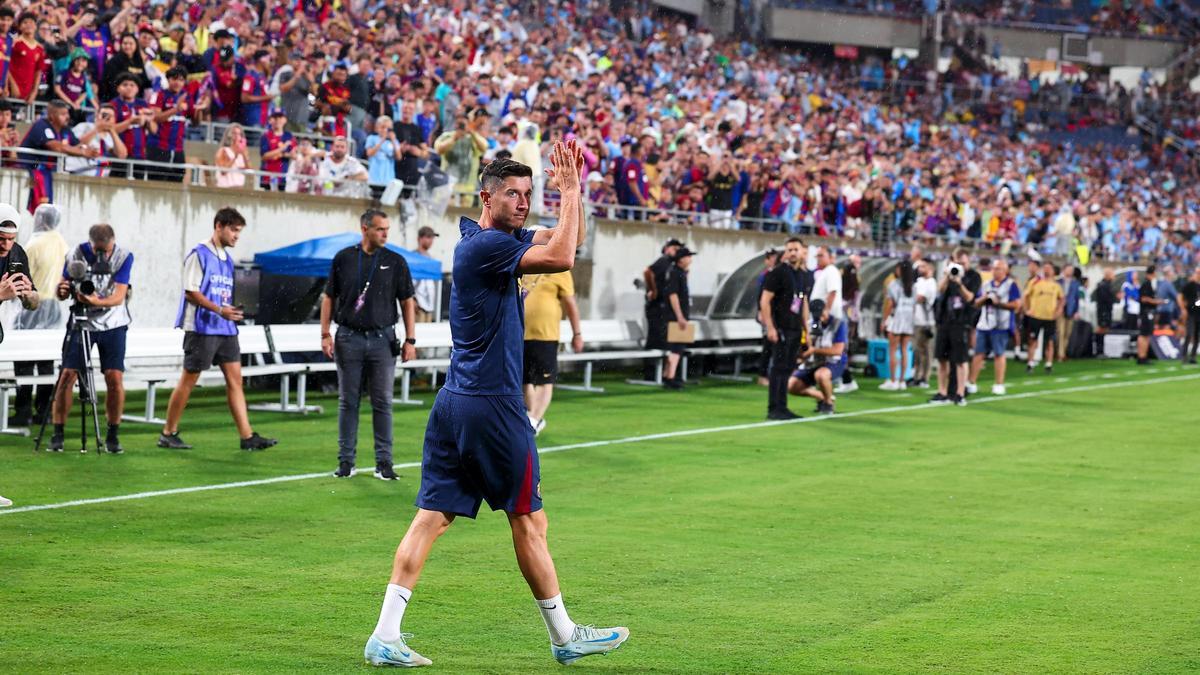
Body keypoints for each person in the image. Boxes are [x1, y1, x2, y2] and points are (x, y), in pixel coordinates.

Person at [362, 145, 628, 668]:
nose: (525, 203)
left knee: (431, 519)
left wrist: (573, 200)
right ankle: (564, 634)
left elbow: (557, 237)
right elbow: (562, 257)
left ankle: (384, 636)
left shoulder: (486, 239)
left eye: (531, 194)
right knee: (529, 522)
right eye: (514, 194)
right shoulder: (486, 246)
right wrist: (572, 192)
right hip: (493, 405)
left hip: (455, 400)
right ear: (487, 196)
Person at [158, 207, 277, 451]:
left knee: (236, 380)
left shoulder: (227, 259)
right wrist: (219, 310)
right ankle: (168, 432)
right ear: (219, 226)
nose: (236, 236)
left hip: (225, 327)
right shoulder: (198, 254)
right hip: (202, 328)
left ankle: (247, 437)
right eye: (233, 230)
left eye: (238, 232)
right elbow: (191, 292)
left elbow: (218, 294)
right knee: (189, 379)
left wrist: (229, 311)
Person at [320, 209, 417, 480]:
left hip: (382, 339)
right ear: (364, 229)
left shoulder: (396, 261)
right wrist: (325, 333)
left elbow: (407, 301)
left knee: (383, 402)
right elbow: (328, 297)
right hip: (348, 337)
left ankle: (384, 463)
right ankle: (346, 462)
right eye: (380, 229)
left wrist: (410, 339)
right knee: (347, 402)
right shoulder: (344, 258)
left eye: (387, 229)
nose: (385, 233)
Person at [48, 224, 132, 453]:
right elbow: (61, 288)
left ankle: (113, 435)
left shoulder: (124, 256)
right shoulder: (76, 254)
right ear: (90, 243)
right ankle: (58, 433)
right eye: (98, 249)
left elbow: (119, 297)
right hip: (80, 320)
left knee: (114, 377)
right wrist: (63, 291)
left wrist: (95, 301)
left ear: (113, 242)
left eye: (106, 249)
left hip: (113, 323)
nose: (102, 254)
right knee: (67, 375)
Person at [10, 204, 66, 427]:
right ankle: (43, 412)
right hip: (53, 308)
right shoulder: (62, 243)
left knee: (23, 360)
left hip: (33, 305)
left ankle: (22, 411)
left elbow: (23, 278)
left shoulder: (33, 245)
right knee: (46, 362)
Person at [520, 261, 582, 435]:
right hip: (519, 333)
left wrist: (577, 333)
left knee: (544, 380)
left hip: (545, 334)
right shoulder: (525, 267)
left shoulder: (560, 270)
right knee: (524, 379)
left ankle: (533, 419)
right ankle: (532, 419)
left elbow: (570, 304)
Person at [760, 237, 806, 420]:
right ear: (785, 252)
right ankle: (774, 408)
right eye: (790, 249)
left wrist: (806, 330)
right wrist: (770, 327)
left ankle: (783, 406)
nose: (793, 252)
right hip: (781, 328)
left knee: (787, 368)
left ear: (802, 251)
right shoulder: (778, 273)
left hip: (795, 328)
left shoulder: (801, 275)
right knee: (778, 368)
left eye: (796, 249)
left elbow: (802, 302)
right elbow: (765, 301)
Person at [930, 251, 979, 406]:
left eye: (963, 263)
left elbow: (970, 297)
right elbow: (940, 290)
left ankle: (960, 393)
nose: (960, 266)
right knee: (942, 358)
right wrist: (947, 274)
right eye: (958, 263)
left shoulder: (973, 276)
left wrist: (959, 283)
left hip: (961, 322)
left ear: (968, 262)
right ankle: (942, 392)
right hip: (945, 321)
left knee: (960, 359)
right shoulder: (949, 274)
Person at [968, 259, 1021, 396]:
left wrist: (999, 304)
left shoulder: (1011, 285)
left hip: (1001, 325)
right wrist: (984, 299)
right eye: (994, 268)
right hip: (984, 323)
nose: (995, 271)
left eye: (999, 269)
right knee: (978, 354)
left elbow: (1016, 305)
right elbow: (976, 303)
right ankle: (972, 382)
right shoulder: (986, 285)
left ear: (1005, 271)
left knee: (999, 354)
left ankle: (999, 383)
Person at [788, 299, 846, 415]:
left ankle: (828, 403)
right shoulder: (810, 324)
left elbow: (838, 351)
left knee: (821, 375)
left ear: (826, 309)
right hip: (813, 361)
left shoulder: (838, 324)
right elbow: (804, 345)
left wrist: (814, 350)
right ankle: (821, 396)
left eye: (822, 314)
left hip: (833, 362)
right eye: (817, 316)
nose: (821, 318)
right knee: (791, 386)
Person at [813, 246, 857, 394]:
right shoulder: (826, 272)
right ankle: (844, 380)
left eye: (821, 255)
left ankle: (840, 380)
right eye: (817, 256)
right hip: (828, 317)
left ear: (831, 257)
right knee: (829, 352)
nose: (818, 258)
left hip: (831, 319)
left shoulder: (831, 270)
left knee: (833, 351)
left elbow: (832, 292)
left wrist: (825, 311)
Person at [640, 238, 683, 381]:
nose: (676, 251)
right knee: (655, 339)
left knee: (660, 340)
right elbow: (647, 271)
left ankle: (658, 374)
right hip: (656, 307)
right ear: (667, 248)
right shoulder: (663, 261)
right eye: (674, 248)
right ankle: (650, 374)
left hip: (661, 308)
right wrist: (653, 290)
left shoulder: (671, 264)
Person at [110, 71, 156, 179]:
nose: (129, 88)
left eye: (132, 85)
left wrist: (148, 120)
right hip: (120, 156)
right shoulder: (113, 105)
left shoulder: (143, 104)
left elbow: (154, 130)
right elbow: (111, 129)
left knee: (137, 191)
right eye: (125, 85)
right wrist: (130, 122)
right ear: (118, 88)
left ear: (137, 89)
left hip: (139, 157)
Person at [662, 246, 695, 390]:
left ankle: (667, 375)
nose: (690, 259)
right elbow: (673, 295)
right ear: (681, 259)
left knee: (676, 348)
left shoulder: (678, 272)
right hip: (676, 317)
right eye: (688, 256)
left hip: (676, 316)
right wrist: (680, 316)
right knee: (676, 348)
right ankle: (671, 377)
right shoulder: (676, 274)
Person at [880, 260, 916, 391]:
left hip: (896, 320)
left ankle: (893, 380)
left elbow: (889, 304)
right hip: (908, 320)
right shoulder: (913, 286)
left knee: (893, 350)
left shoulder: (894, 284)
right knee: (905, 350)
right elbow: (914, 306)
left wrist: (884, 320)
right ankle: (902, 381)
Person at [1023, 262, 1065, 373]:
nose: (1047, 270)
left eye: (1049, 268)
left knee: (1049, 341)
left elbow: (1062, 299)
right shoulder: (1035, 282)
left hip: (1050, 317)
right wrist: (1027, 310)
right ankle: (1030, 363)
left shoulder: (1056, 286)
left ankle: (1048, 364)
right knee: (1033, 340)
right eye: (1045, 268)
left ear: (1053, 271)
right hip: (1036, 315)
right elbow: (1025, 296)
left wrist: (1059, 310)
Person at [65, 103, 128, 177]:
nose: (107, 118)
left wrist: (112, 131)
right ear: (97, 115)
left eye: (111, 116)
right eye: (104, 114)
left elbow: (122, 155)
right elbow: (75, 144)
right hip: (77, 174)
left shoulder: (112, 136)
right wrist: (97, 129)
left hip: (100, 178)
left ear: (114, 120)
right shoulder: (83, 126)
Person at [755, 248, 781, 386]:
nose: (773, 260)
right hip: (767, 314)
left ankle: (771, 374)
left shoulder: (777, 274)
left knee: (774, 346)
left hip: (775, 314)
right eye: (770, 258)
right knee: (768, 346)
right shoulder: (765, 275)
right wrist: (761, 312)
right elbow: (761, 297)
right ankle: (762, 375)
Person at [911, 260, 937, 388]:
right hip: (916, 320)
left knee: (926, 351)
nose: (920, 268)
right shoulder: (919, 281)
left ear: (930, 268)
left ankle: (924, 378)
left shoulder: (931, 283)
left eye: (923, 266)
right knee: (917, 350)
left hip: (927, 322)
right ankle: (916, 376)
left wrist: (910, 297)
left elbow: (921, 298)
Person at [259, 109, 294, 191]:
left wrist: (280, 154)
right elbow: (264, 156)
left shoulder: (289, 136)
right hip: (266, 176)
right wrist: (282, 149)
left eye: (280, 117)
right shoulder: (266, 136)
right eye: (275, 117)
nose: (277, 120)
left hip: (282, 176)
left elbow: (294, 154)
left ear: (285, 119)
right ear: (270, 120)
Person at [1136, 265, 1163, 365]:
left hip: (1149, 312)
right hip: (1146, 312)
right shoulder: (1146, 284)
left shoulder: (1150, 284)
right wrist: (1156, 302)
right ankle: (1141, 356)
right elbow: (1143, 298)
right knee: (1143, 334)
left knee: (1147, 334)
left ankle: (1144, 356)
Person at [413, 226, 439, 322]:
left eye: (432, 237)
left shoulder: (431, 258)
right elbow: (409, 282)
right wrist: (413, 301)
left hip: (430, 306)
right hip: (418, 306)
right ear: (419, 238)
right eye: (428, 237)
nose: (431, 240)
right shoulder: (414, 257)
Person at [1056, 265, 1082, 362]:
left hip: (1070, 310)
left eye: (1071, 270)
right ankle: (1060, 354)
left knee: (1067, 333)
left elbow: (1077, 298)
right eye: (1068, 269)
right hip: (1060, 309)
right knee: (1060, 332)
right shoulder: (1058, 282)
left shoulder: (1075, 283)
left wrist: (1076, 311)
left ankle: (1063, 352)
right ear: (1064, 270)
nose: (1070, 271)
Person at [214, 124, 249, 188]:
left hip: (239, 188)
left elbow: (248, 170)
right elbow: (223, 171)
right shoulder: (223, 151)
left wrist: (244, 155)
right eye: (234, 133)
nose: (237, 137)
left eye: (239, 134)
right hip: (224, 188)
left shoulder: (243, 153)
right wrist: (235, 156)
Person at [1092, 267, 1117, 357]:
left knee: (1104, 329)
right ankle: (1098, 351)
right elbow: (1105, 299)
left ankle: (1100, 350)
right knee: (1101, 329)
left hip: (1106, 310)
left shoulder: (1107, 285)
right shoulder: (1103, 285)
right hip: (1103, 311)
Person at [1179, 266, 1200, 365]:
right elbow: (1180, 296)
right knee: (1189, 334)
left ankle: (1193, 356)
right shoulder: (1190, 285)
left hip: (1198, 314)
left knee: (1197, 336)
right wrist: (1183, 309)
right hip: (1191, 313)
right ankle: (1184, 356)